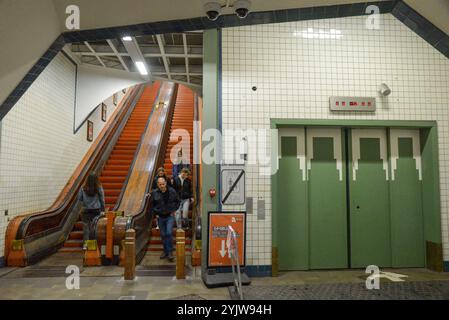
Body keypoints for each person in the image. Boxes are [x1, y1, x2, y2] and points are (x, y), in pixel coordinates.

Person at [151, 176, 180, 261]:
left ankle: (170, 252)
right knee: (163, 235)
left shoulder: (172, 191)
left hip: (169, 216)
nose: (162, 186)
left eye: (163, 184)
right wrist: (156, 213)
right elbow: (152, 204)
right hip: (160, 217)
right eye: (160, 184)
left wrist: (174, 210)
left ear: (166, 183)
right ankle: (165, 251)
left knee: (168, 233)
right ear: (157, 185)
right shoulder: (155, 193)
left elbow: (178, 201)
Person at [78, 172, 105, 250]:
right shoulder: (98, 187)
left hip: (86, 210)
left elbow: (79, 199)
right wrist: (103, 209)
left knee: (86, 228)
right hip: (96, 210)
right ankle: (94, 244)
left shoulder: (83, 187)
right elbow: (102, 199)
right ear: (96, 179)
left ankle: (85, 245)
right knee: (95, 227)